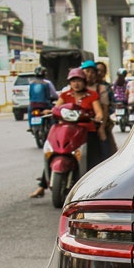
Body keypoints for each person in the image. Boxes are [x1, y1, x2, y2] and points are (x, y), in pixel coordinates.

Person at [29, 68, 106, 198]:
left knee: (94, 156)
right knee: (54, 152)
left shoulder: (92, 95)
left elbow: (98, 112)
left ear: (84, 82)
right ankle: (42, 186)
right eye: (73, 81)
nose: (76, 84)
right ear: (70, 83)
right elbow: (56, 108)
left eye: (79, 81)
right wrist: (50, 111)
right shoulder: (65, 95)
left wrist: (98, 117)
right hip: (66, 130)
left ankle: (96, 186)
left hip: (86, 130)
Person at [26, 66, 58, 131]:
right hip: (45, 105)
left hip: (33, 105)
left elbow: (30, 95)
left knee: (29, 111)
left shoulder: (31, 83)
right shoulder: (46, 83)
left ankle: (30, 126)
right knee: (54, 112)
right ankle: (54, 127)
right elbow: (50, 95)